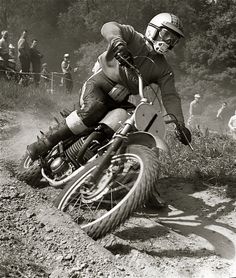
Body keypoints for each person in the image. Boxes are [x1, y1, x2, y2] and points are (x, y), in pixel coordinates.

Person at [27, 13, 192, 208]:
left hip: (121, 98)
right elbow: (109, 26)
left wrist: (179, 123)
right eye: (166, 35)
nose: (169, 42)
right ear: (153, 29)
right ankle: (45, 144)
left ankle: (143, 185)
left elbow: (171, 96)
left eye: (174, 40)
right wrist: (118, 43)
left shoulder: (163, 68)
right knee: (93, 109)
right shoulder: (133, 37)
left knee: (137, 128)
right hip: (99, 84)